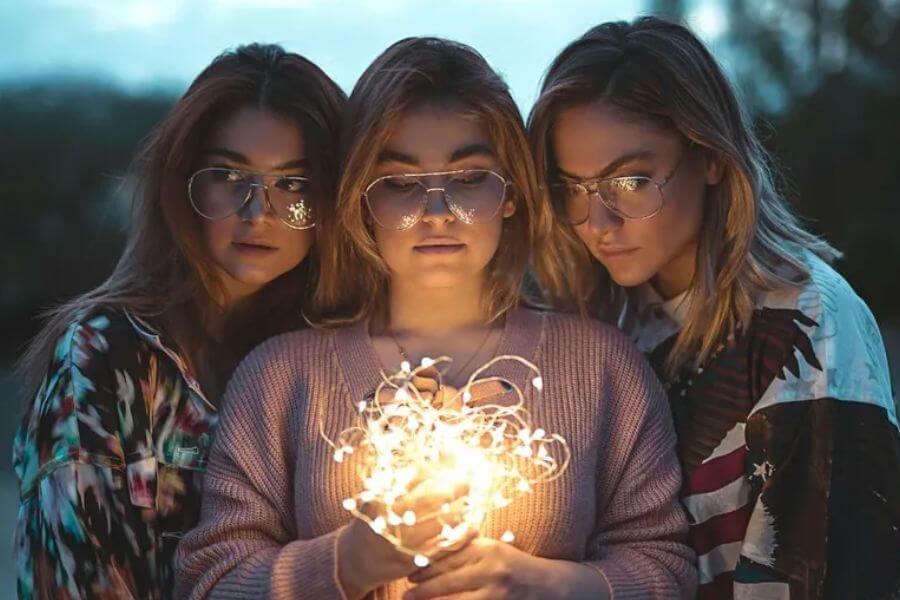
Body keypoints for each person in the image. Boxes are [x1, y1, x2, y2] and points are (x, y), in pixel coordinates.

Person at [175, 37, 696, 599]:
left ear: (513, 192)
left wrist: (542, 584)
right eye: (399, 184)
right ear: (359, 201)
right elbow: (208, 581)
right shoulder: (282, 377)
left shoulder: (600, 367)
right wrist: (347, 561)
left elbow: (668, 569)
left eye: (469, 177)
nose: (438, 213)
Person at [529, 16, 900, 599]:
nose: (597, 223)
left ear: (710, 159)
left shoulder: (808, 320)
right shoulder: (605, 328)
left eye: (629, 181)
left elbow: (835, 570)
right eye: (573, 188)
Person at [13, 43, 345, 598]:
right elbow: (69, 578)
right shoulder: (104, 354)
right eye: (228, 174)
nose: (257, 210)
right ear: (182, 183)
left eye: (294, 183)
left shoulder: (331, 356)